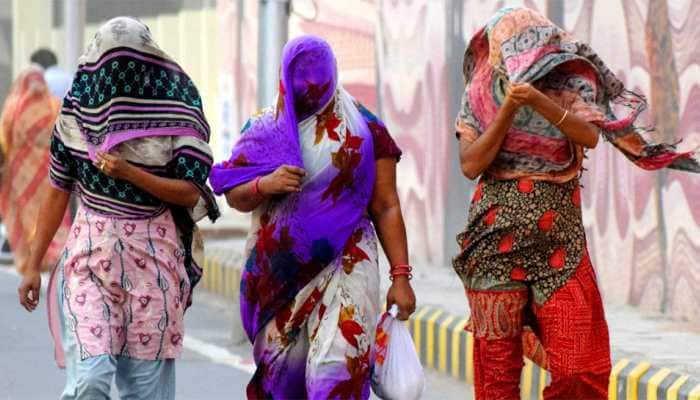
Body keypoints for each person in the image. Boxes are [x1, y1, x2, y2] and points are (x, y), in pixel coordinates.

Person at [452, 7, 699, 400]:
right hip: (493, 244)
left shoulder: (573, 80)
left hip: (558, 244)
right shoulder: (482, 92)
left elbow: (587, 135)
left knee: (579, 370)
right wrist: (509, 110)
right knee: (496, 378)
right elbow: (471, 164)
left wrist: (535, 99)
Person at [17, 17, 219, 400]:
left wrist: (130, 173)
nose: (119, 75)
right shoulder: (76, 112)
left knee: (146, 392)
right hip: (90, 260)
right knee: (90, 380)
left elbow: (191, 192)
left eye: (130, 63)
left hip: (153, 264)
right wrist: (32, 264)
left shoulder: (177, 110)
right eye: (111, 63)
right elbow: (58, 188)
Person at [209, 35, 416, 399]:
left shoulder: (365, 131)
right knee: (283, 383)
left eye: (318, 87)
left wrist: (401, 277)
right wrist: (265, 184)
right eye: (302, 88)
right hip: (279, 277)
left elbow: (385, 205)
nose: (310, 96)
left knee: (336, 374)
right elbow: (235, 196)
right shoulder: (264, 129)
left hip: (348, 264)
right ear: (285, 80)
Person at [0, 66, 70, 273]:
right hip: (50, 168)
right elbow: (64, 135)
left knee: (28, 213)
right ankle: (52, 254)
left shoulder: (14, 106)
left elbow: (5, 137)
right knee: (50, 209)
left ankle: (32, 258)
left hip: (21, 172)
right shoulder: (53, 104)